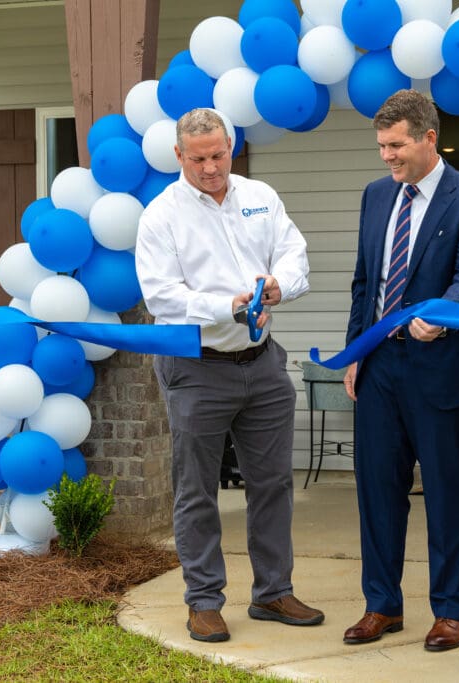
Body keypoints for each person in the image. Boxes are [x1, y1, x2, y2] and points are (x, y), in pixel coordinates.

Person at [135, 108, 323, 643]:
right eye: (198, 159)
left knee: (273, 483)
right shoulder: (161, 215)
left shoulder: (259, 194)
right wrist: (227, 304)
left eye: (219, 155)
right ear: (179, 156)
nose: (211, 167)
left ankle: (272, 591)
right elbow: (161, 297)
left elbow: (293, 252)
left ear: (231, 147)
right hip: (197, 366)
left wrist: (278, 286)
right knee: (196, 489)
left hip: (262, 363)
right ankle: (203, 600)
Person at [341, 89, 459, 652]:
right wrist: (356, 351)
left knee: (447, 493)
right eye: (382, 146)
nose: (387, 156)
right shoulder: (375, 196)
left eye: (397, 145)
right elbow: (366, 282)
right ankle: (381, 605)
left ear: (429, 138)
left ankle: (452, 610)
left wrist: (441, 316)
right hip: (380, 366)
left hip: (441, 368)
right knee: (377, 492)